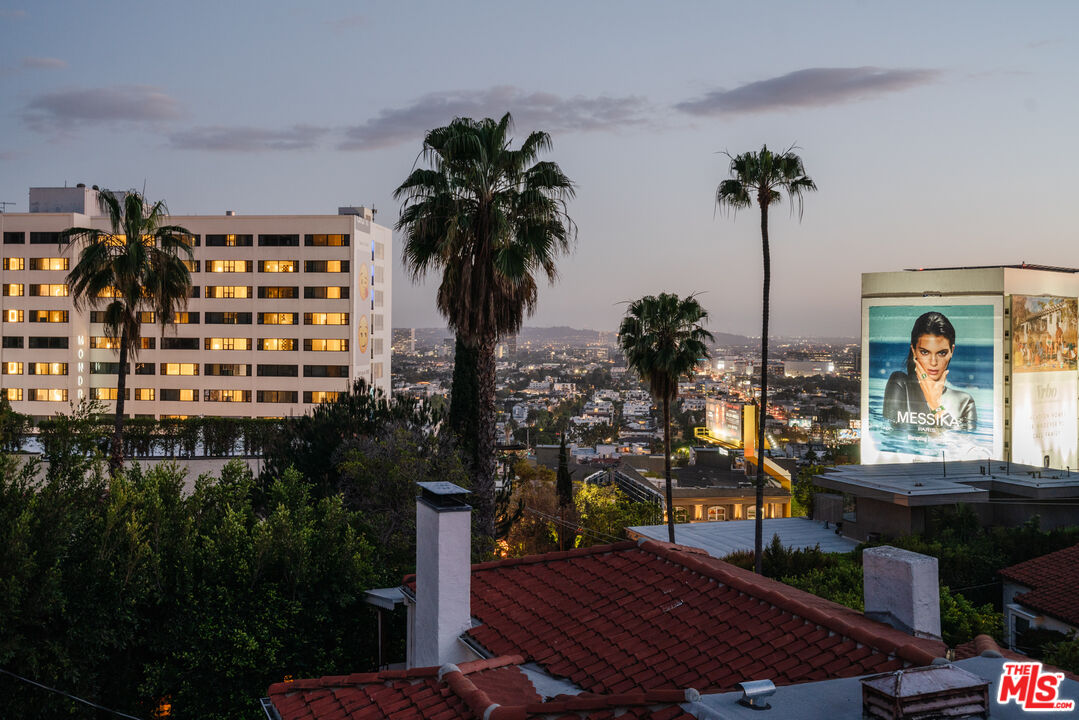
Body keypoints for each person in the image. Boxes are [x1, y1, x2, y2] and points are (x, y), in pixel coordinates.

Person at [883, 311, 976, 432]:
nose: (933, 362)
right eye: (925, 352)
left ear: (951, 351)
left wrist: (935, 405)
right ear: (914, 350)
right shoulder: (900, 384)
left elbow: (964, 446)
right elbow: (893, 438)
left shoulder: (964, 402)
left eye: (941, 353)